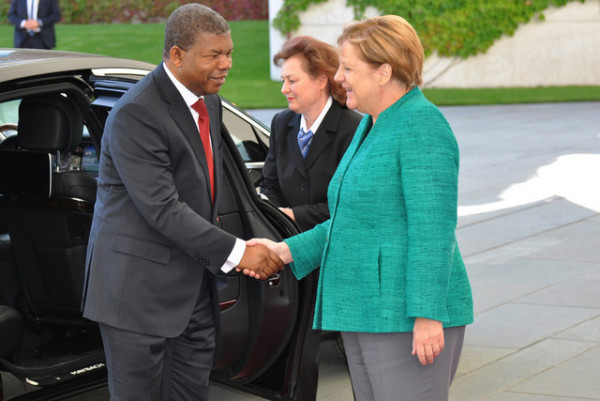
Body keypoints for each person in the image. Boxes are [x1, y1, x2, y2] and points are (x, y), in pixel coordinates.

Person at [244, 15, 473, 401]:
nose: (339, 78)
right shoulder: (372, 124)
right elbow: (350, 220)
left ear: (383, 72)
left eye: (348, 69)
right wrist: (283, 251)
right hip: (365, 309)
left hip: (403, 315)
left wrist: (428, 314)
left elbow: (432, 230)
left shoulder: (421, 125)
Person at [81, 4, 283, 401]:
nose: (226, 64)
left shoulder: (209, 102)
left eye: (229, 53)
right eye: (214, 55)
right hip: (136, 298)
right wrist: (240, 253)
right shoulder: (137, 113)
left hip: (195, 294)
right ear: (177, 55)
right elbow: (163, 209)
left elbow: (203, 191)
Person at [260, 36, 362, 400]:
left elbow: (352, 206)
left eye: (292, 80)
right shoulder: (281, 123)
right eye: (283, 80)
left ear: (321, 80)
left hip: (336, 254)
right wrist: (274, 214)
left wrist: (292, 214)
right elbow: (270, 184)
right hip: (293, 253)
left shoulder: (354, 128)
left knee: (353, 354)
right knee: (294, 351)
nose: (284, 89)